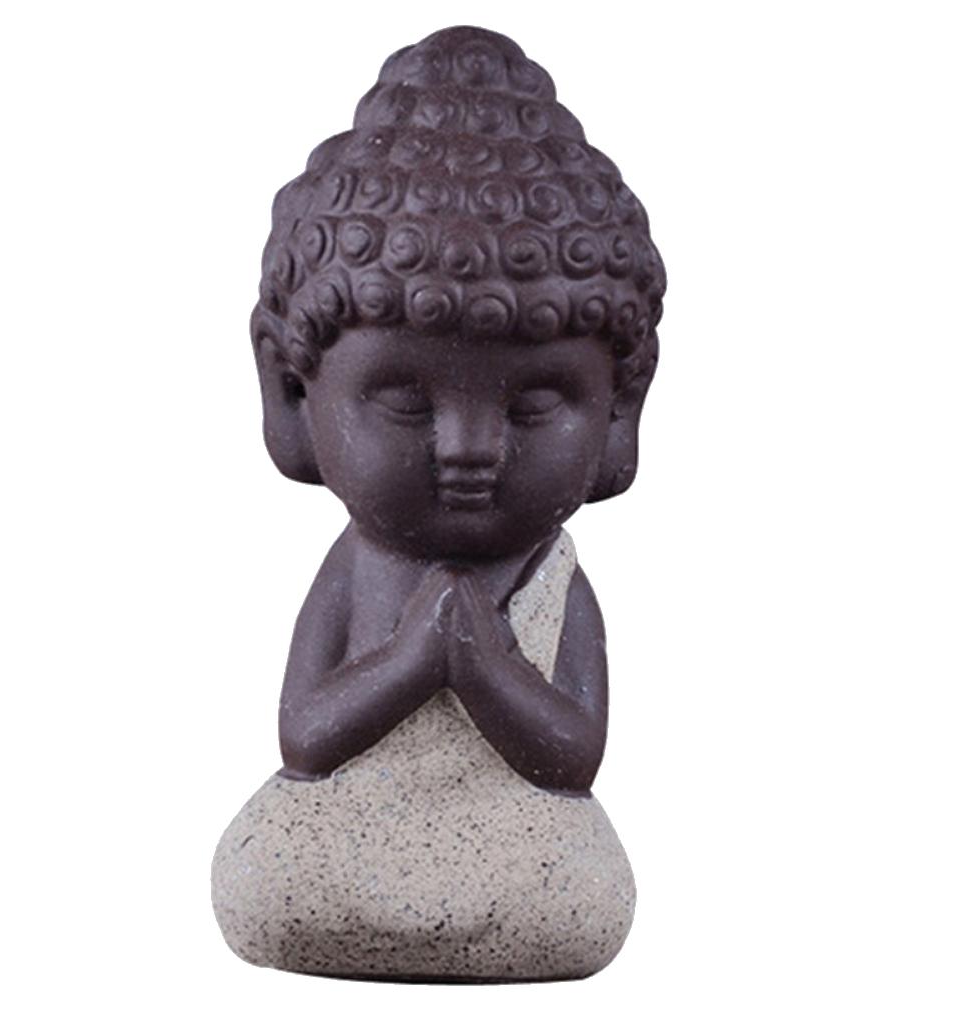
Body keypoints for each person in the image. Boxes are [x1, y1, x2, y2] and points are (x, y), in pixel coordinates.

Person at [212, 25, 665, 981]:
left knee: (587, 894)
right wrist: (415, 659)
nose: (470, 448)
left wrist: (485, 665)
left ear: (618, 414)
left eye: (533, 406)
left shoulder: (552, 582)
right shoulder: (360, 567)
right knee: (260, 879)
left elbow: (573, 755)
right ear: (291, 395)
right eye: (405, 402)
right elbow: (305, 736)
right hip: (347, 830)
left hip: (521, 849)